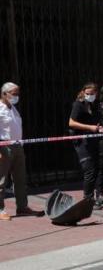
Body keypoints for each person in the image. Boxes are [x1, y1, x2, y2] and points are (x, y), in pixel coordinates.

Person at [0, 82, 44, 220]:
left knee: (20, 179)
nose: (16, 96)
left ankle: (22, 207)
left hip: (18, 146)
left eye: (17, 94)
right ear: (4, 94)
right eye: (14, 94)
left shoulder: (13, 108)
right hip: (4, 146)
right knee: (1, 180)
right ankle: (0, 209)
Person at [69, 82, 103, 210]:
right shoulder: (78, 104)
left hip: (93, 141)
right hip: (82, 141)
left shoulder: (95, 105)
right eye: (87, 94)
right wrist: (90, 127)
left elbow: (97, 121)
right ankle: (87, 199)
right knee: (89, 169)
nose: (89, 96)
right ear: (83, 92)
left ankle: (93, 197)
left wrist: (100, 128)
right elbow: (71, 122)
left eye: (92, 94)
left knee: (95, 169)